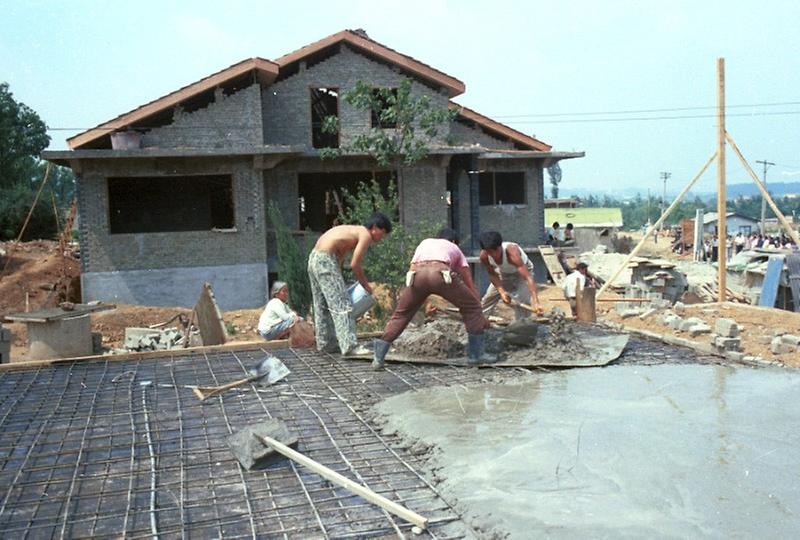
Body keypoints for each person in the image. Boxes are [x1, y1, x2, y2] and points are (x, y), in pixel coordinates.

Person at [372, 228, 493, 369]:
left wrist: (417, 298)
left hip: (417, 275)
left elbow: (412, 268)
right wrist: (477, 307)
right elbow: (467, 280)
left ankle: (378, 358)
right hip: (440, 273)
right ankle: (476, 356)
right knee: (471, 307)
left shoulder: (425, 243)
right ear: (454, 241)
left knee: (402, 314)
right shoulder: (454, 247)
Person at [308, 212, 391, 356]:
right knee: (343, 304)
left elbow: (339, 256)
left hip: (314, 259)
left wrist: (337, 276)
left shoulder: (351, 231)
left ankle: (325, 344)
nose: (381, 238)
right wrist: (365, 285)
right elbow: (355, 264)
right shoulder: (364, 234)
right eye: (382, 234)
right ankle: (349, 346)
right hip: (325, 260)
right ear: (375, 227)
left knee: (321, 305)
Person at [479, 231, 542, 320]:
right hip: (503, 272)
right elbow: (492, 274)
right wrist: (502, 292)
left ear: (500, 246)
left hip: (523, 272)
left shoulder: (512, 251)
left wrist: (536, 301)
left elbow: (527, 278)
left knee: (523, 299)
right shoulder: (484, 256)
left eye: (495, 251)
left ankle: (522, 325)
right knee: (488, 298)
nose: (493, 254)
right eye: (489, 252)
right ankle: (480, 322)